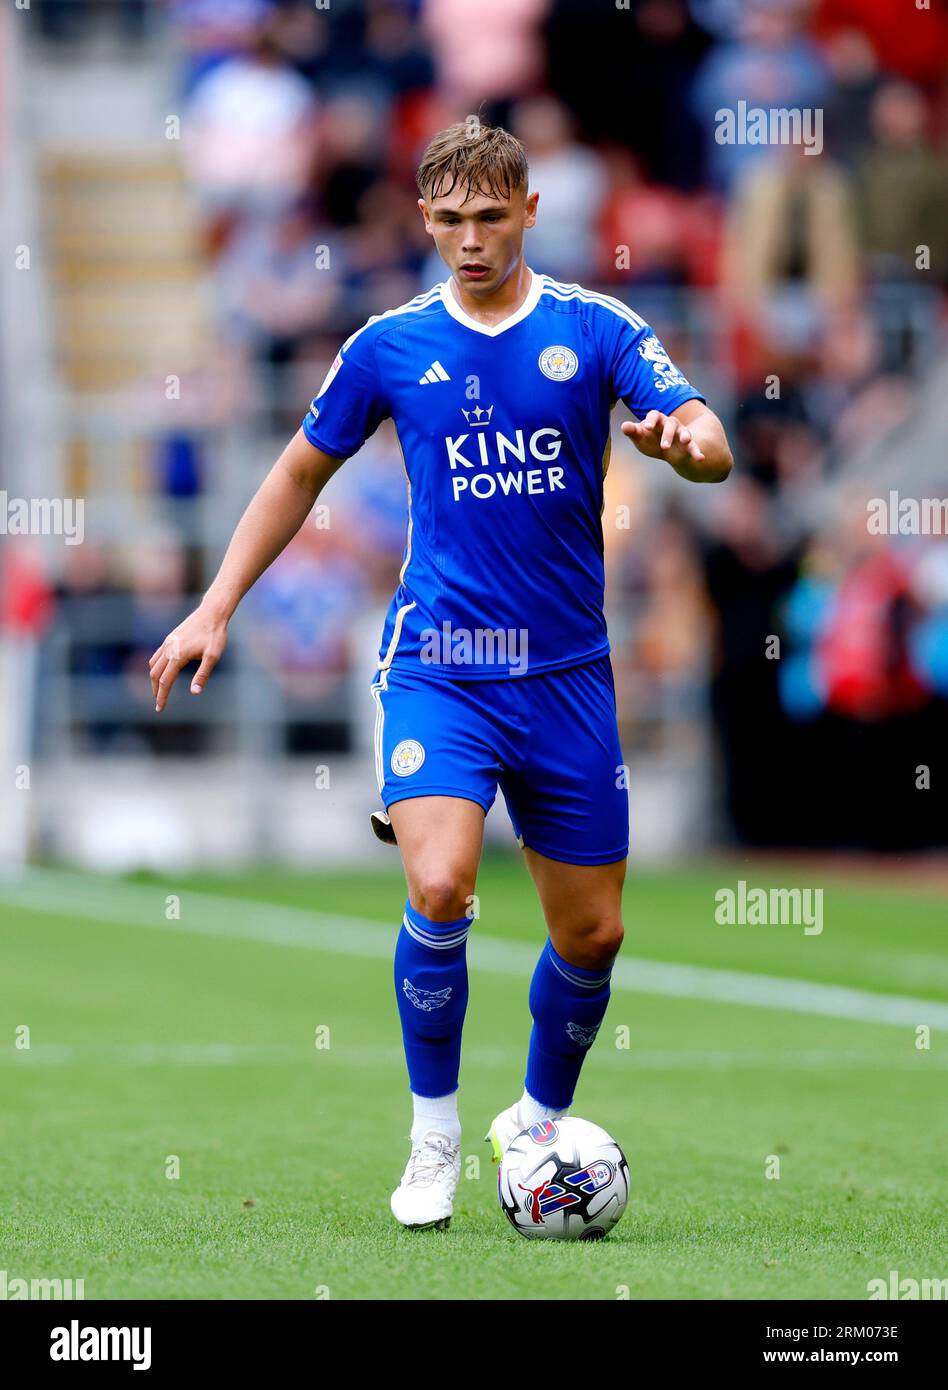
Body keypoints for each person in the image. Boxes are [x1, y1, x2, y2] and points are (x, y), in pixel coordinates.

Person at [149, 119, 733, 1232]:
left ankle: (539, 1120)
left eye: (490, 218)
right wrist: (216, 603)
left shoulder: (592, 327)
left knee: (595, 935)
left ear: (527, 213)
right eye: (451, 220)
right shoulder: (388, 346)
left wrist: (683, 447)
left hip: (567, 672)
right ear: (426, 219)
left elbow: (708, 434)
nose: (471, 240)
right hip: (443, 665)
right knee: (440, 883)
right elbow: (295, 474)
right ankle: (433, 1134)